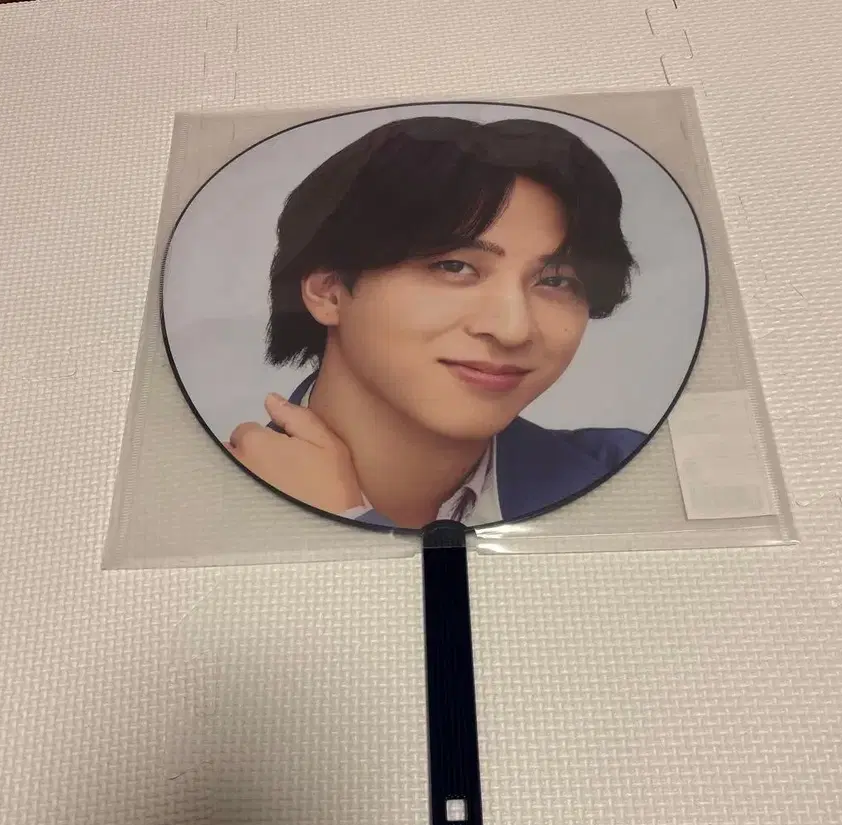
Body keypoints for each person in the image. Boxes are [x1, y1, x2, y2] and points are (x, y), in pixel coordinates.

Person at [226, 115, 647, 529]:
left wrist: (347, 520)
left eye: (555, 280)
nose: (512, 329)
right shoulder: (210, 495)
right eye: (454, 267)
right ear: (328, 291)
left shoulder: (636, 473)